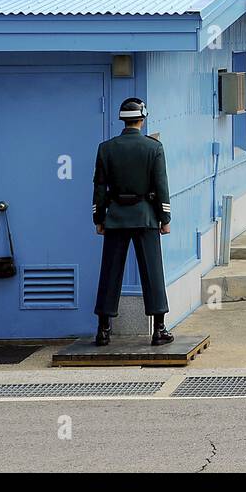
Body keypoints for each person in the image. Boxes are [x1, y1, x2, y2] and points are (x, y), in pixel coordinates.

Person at [92, 97, 174, 347]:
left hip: (116, 216)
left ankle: (104, 329)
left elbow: (99, 187)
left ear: (122, 120)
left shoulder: (106, 148)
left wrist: (99, 217)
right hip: (145, 215)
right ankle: (158, 329)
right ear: (142, 118)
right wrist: (165, 218)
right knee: (152, 272)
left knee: (110, 272)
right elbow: (161, 186)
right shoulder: (153, 148)